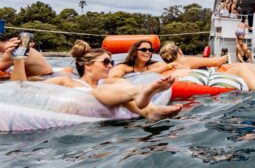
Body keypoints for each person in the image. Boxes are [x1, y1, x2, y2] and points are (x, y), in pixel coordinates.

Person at [10, 40, 181, 121]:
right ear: (88, 65)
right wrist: (18, 59)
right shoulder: (67, 82)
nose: (109, 66)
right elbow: (22, 89)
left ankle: (148, 108)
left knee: (114, 84)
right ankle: (141, 95)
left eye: (111, 62)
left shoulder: (108, 84)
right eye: (106, 62)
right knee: (99, 90)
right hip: (70, 115)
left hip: (104, 129)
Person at [159, 42, 255, 93]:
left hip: (214, 75)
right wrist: (224, 57)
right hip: (217, 74)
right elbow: (216, 62)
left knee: (250, 67)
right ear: (179, 51)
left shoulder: (168, 67)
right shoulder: (185, 59)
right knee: (244, 67)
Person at [109, 40, 173, 78]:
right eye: (143, 50)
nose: (148, 52)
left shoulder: (157, 65)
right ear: (135, 52)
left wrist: (169, 66)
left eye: (150, 50)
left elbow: (174, 66)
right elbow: (112, 78)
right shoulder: (123, 67)